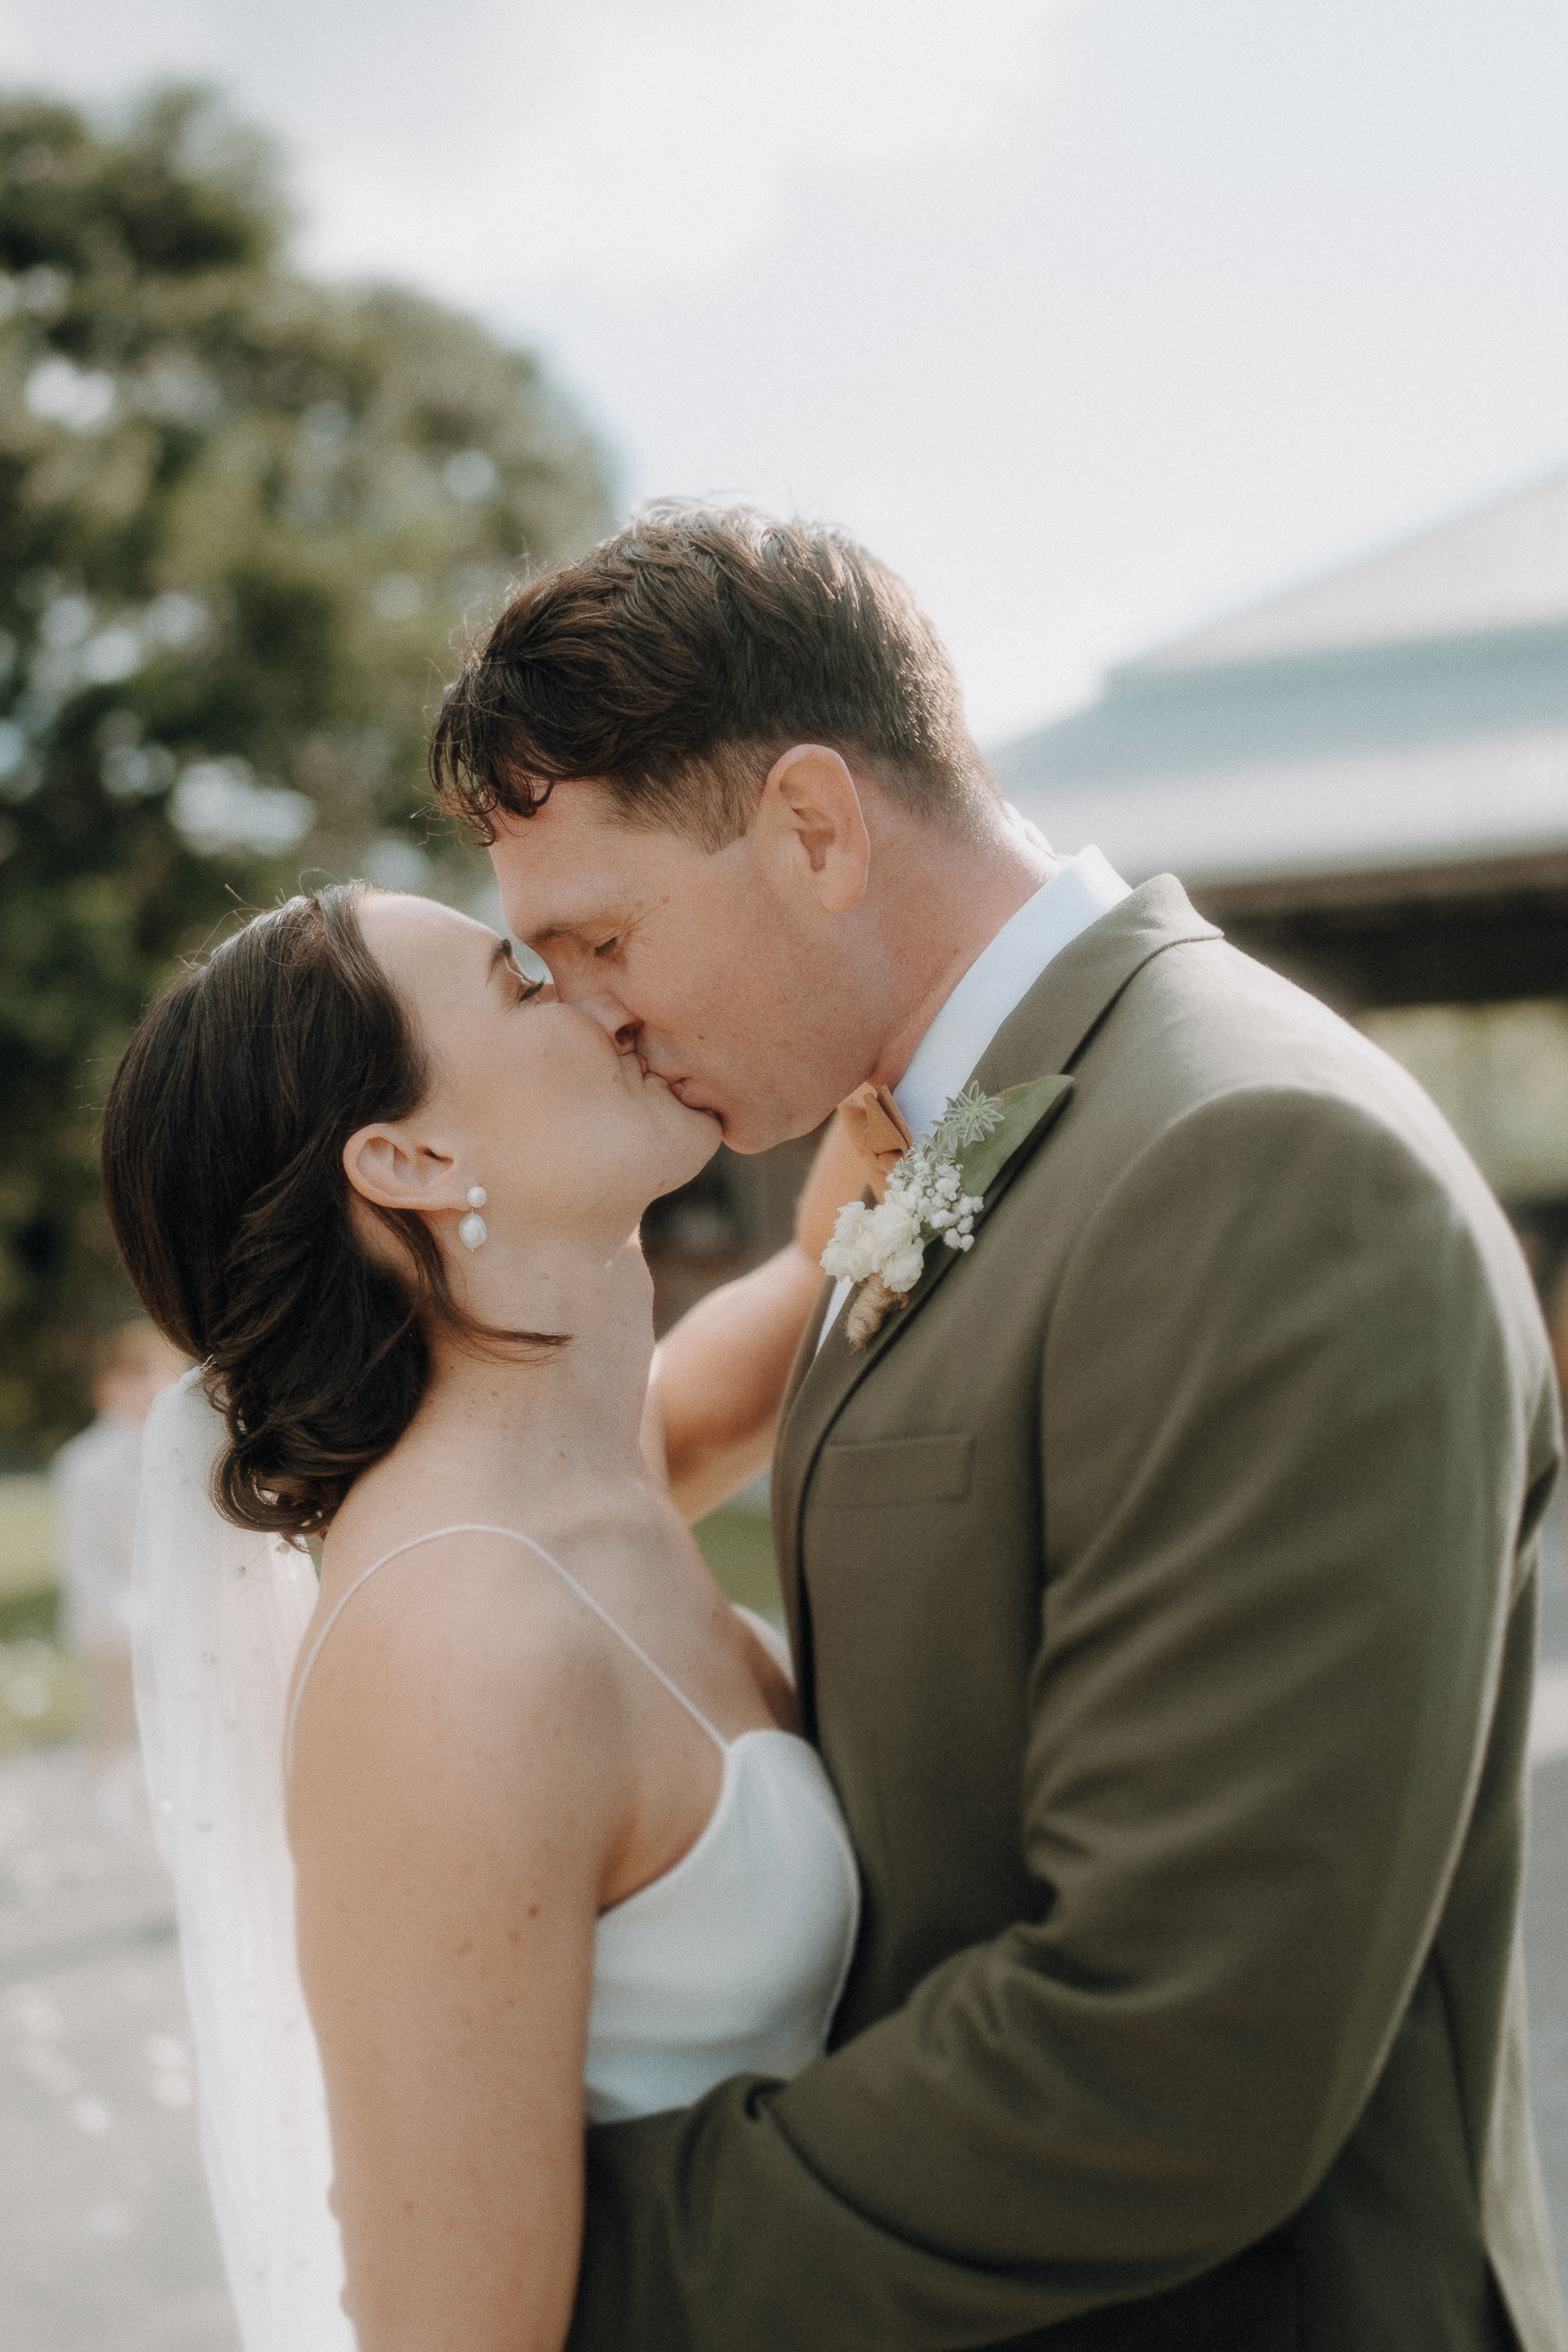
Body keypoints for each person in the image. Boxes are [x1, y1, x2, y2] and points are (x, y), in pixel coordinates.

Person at [426, 503, 1567, 2352]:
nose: (596, 1022)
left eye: (604, 935)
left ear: (812, 825)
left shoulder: (1256, 1163)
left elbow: (1167, 2045)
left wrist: (550, 2252)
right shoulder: (973, 1138)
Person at [101, 882, 863, 2352]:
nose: (604, 991)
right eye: (528, 982)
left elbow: (811, 1274)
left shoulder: (588, 1477)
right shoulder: (453, 1647)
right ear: (410, 1157)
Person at [51, 1317, 186, 1752]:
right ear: (107, 1387)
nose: (149, 1389)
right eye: (135, 1377)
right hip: (110, 1618)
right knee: (119, 1722)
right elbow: (84, 1555)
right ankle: (108, 1804)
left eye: (159, 1375)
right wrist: (130, 1615)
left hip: (171, 1612)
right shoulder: (84, 1462)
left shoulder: (178, 1450)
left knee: (172, 1728)